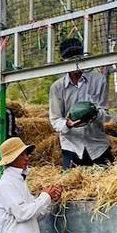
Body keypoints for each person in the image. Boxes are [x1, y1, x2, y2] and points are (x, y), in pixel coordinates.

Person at [48, 38, 113, 170]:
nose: (75, 64)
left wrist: (95, 115)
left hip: (98, 145)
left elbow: (105, 114)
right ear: (63, 61)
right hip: (71, 146)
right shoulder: (57, 87)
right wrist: (68, 124)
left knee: (108, 184)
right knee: (71, 187)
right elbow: (55, 119)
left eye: (78, 58)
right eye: (70, 60)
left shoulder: (99, 80)